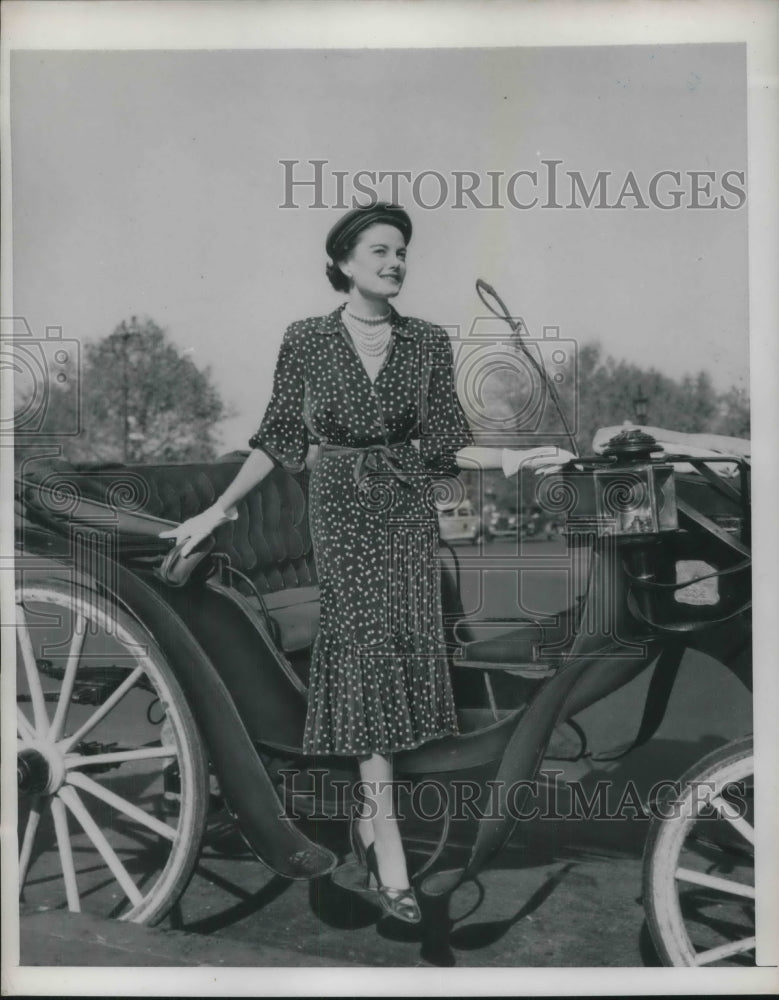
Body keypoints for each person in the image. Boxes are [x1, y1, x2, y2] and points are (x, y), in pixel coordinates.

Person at [160, 203, 570, 924]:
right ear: (345, 262)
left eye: (402, 251)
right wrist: (217, 509)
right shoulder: (310, 339)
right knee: (368, 667)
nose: (395, 262)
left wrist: (512, 457)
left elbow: (445, 446)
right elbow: (280, 438)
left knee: (400, 669)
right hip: (343, 516)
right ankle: (386, 848)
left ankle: (372, 821)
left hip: (407, 517)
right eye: (379, 250)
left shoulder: (426, 343)